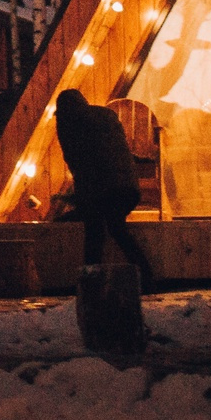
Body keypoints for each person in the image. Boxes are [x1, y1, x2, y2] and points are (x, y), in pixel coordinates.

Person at [54, 88, 154, 282]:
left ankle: (92, 282)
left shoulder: (71, 123)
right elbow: (115, 152)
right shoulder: (106, 115)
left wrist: (81, 199)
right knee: (117, 229)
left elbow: (79, 163)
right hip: (128, 188)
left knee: (95, 233)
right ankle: (146, 276)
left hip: (102, 190)